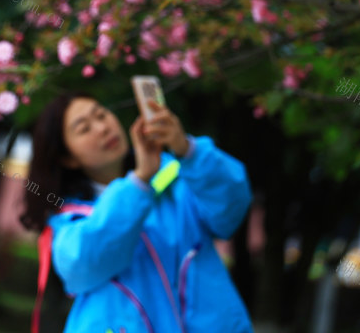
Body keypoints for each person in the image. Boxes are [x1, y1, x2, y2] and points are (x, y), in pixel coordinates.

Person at [20, 90, 253, 333]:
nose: (102, 128)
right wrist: (140, 181)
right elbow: (84, 263)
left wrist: (188, 150)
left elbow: (231, 210)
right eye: (84, 128)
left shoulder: (179, 180)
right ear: (68, 158)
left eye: (101, 115)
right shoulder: (70, 221)